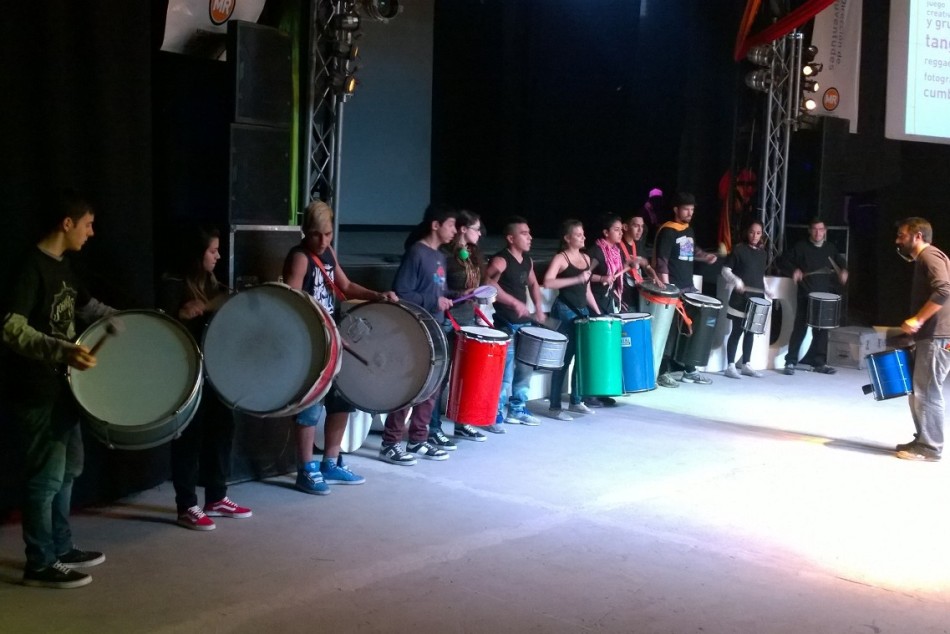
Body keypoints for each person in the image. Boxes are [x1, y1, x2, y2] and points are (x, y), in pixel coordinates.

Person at [1, 190, 114, 588]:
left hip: (65, 389)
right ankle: (39, 562)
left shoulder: (65, 266)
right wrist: (61, 349)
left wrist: (139, 323)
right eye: (87, 224)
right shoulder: (29, 267)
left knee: (69, 470)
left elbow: (90, 308)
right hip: (35, 390)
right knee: (45, 478)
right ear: (67, 224)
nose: (92, 232)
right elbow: (11, 328)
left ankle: (61, 548)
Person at [284, 201, 398, 490]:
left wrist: (376, 295)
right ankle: (306, 469)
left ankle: (331, 462)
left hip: (334, 337)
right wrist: (325, 331)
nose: (323, 241)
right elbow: (291, 303)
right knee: (310, 407)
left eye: (327, 234)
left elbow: (345, 287)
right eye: (315, 235)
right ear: (304, 232)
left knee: (341, 400)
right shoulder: (300, 258)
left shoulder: (327, 253)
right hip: (313, 342)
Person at [158, 224, 252, 530]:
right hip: (186, 374)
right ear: (196, 254)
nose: (218, 255)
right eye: (212, 250)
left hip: (215, 372)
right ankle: (186, 505)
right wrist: (179, 314)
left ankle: (216, 496)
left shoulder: (212, 283)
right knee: (190, 437)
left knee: (222, 429)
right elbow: (157, 327)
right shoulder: (172, 283)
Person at [378, 205, 457, 465]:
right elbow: (402, 294)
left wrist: (447, 300)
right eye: (451, 225)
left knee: (431, 387)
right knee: (410, 386)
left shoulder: (440, 256)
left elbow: (436, 292)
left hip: (437, 327)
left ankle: (418, 439)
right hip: (416, 329)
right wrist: (435, 301)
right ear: (436, 225)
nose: (455, 231)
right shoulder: (416, 253)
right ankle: (390, 443)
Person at [426, 210, 492, 449]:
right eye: (476, 229)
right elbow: (437, 289)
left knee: (466, 374)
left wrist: (480, 294)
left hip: (468, 318)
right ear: (464, 230)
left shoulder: (473, 253)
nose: (480, 234)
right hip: (448, 319)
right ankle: (433, 428)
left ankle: (463, 421)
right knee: (442, 376)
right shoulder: (445, 255)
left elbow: (480, 282)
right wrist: (459, 295)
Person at [893, 217, 950, 462]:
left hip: (938, 336)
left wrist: (917, 319)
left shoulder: (929, 256)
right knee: (919, 391)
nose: (898, 240)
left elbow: (944, 289)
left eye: (902, 235)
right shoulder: (926, 258)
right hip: (932, 335)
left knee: (927, 391)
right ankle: (923, 439)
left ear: (917, 236)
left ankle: (930, 447)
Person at [653, 192, 718, 387]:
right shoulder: (668, 231)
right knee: (670, 332)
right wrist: (667, 288)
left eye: (692, 209)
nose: (690, 212)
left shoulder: (688, 230)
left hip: (688, 287)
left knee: (691, 328)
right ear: (676, 209)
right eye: (686, 209)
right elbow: (662, 260)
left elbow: (691, 249)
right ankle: (663, 371)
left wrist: (705, 256)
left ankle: (689, 370)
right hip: (673, 288)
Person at [485, 216, 546, 427]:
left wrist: (538, 307)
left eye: (529, 233)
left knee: (525, 369)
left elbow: (534, 285)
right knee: (505, 372)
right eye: (524, 233)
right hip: (505, 324)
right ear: (511, 238)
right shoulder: (501, 260)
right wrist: (512, 302)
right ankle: (495, 413)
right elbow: (486, 282)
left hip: (524, 324)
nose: (530, 237)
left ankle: (518, 408)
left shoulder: (527, 261)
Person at [542, 219, 601, 420]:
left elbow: (587, 291)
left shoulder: (585, 258)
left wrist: (597, 311)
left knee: (582, 357)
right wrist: (576, 279)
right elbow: (548, 282)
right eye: (578, 234)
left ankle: (576, 400)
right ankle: (555, 406)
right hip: (565, 310)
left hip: (582, 311)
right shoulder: (561, 258)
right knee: (563, 359)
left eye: (583, 233)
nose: (583, 237)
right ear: (567, 238)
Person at [782, 218, 848, 375]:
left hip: (824, 295)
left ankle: (819, 363)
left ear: (825, 231)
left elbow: (841, 262)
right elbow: (782, 261)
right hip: (806, 294)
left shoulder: (830, 248)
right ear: (809, 231)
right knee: (800, 328)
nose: (818, 233)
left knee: (821, 330)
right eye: (815, 229)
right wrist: (794, 271)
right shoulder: (801, 247)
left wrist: (844, 271)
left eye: (821, 229)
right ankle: (790, 362)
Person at [720, 220, 768, 379]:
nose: (755, 236)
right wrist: (737, 281)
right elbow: (725, 271)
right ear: (747, 233)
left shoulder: (763, 253)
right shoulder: (739, 250)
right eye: (752, 232)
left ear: (762, 234)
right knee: (737, 331)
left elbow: (760, 275)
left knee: (750, 332)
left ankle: (746, 364)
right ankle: (730, 366)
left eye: (758, 233)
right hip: (740, 298)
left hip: (756, 298)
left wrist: (766, 288)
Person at [619, 211, 659, 312]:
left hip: (638, 296)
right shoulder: (617, 245)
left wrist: (655, 277)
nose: (640, 230)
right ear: (625, 227)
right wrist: (629, 264)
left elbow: (647, 266)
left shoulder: (639, 245)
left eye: (642, 226)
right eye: (636, 226)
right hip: (623, 298)